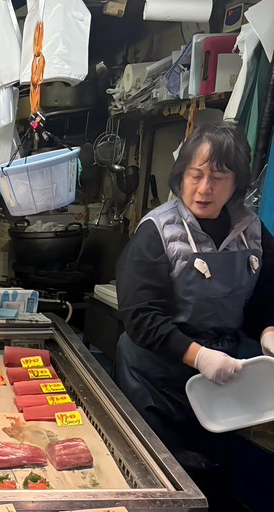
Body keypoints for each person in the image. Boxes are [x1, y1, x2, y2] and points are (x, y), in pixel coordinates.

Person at [115, 123, 274, 510]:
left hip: (222, 381)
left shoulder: (252, 231)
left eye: (218, 177)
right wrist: (199, 356)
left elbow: (263, 301)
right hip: (156, 379)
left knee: (211, 480)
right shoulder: (157, 231)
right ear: (180, 176)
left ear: (236, 182)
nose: (205, 188)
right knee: (155, 481)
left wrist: (269, 331)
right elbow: (141, 317)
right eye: (195, 175)